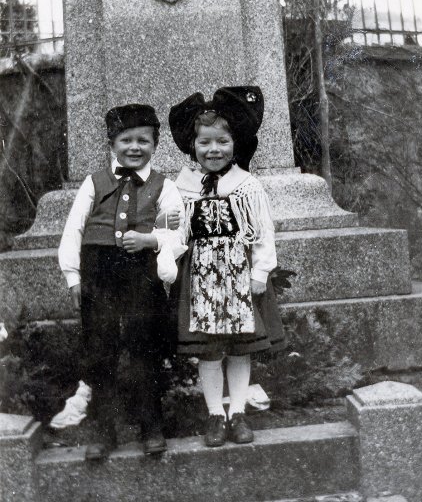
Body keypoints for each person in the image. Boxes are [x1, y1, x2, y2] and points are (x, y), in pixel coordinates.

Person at [58, 103, 185, 460]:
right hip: (98, 272)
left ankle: (151, 424)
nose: (134, 147)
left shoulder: (165, 186)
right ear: (112, 143)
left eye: (143, 140)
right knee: (100, 348)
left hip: (140, 273)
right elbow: (74, 230)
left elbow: (178, 234)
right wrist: (73, 277)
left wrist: (151, 240)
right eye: (125, 139)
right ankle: (104, 428)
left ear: (155, 144)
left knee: (145, 346)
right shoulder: (94, 182)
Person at [168, 86, 286, 447]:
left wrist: (260, 272)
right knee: (208, 349)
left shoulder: (246, 186)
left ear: (236, 143)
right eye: (205, 143)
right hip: (200, 277)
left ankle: (238, 412)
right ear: (193, 145)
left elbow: (263, 232)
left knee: (239, 348)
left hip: (237, 275)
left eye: (222, 141)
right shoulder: (183, 186)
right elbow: (177, 233)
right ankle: (214, 415)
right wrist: (168, 261)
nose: (213, 150)